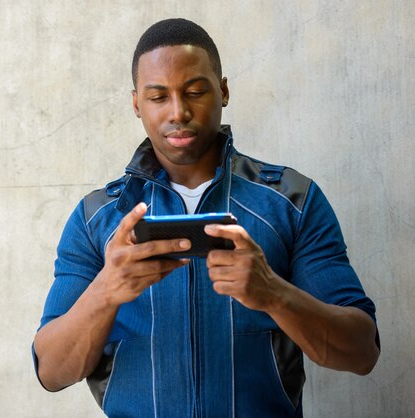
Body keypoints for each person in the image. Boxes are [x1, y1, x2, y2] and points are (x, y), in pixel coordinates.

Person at [32, 18, 380, 417]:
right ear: (136, 104)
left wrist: (272, 293)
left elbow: (361, 351)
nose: (178, 112)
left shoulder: (292, 200)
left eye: (195, 91)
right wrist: (107, 290)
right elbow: (52, 371)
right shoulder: (97, 218)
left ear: (224, 91)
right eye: (158, 97)